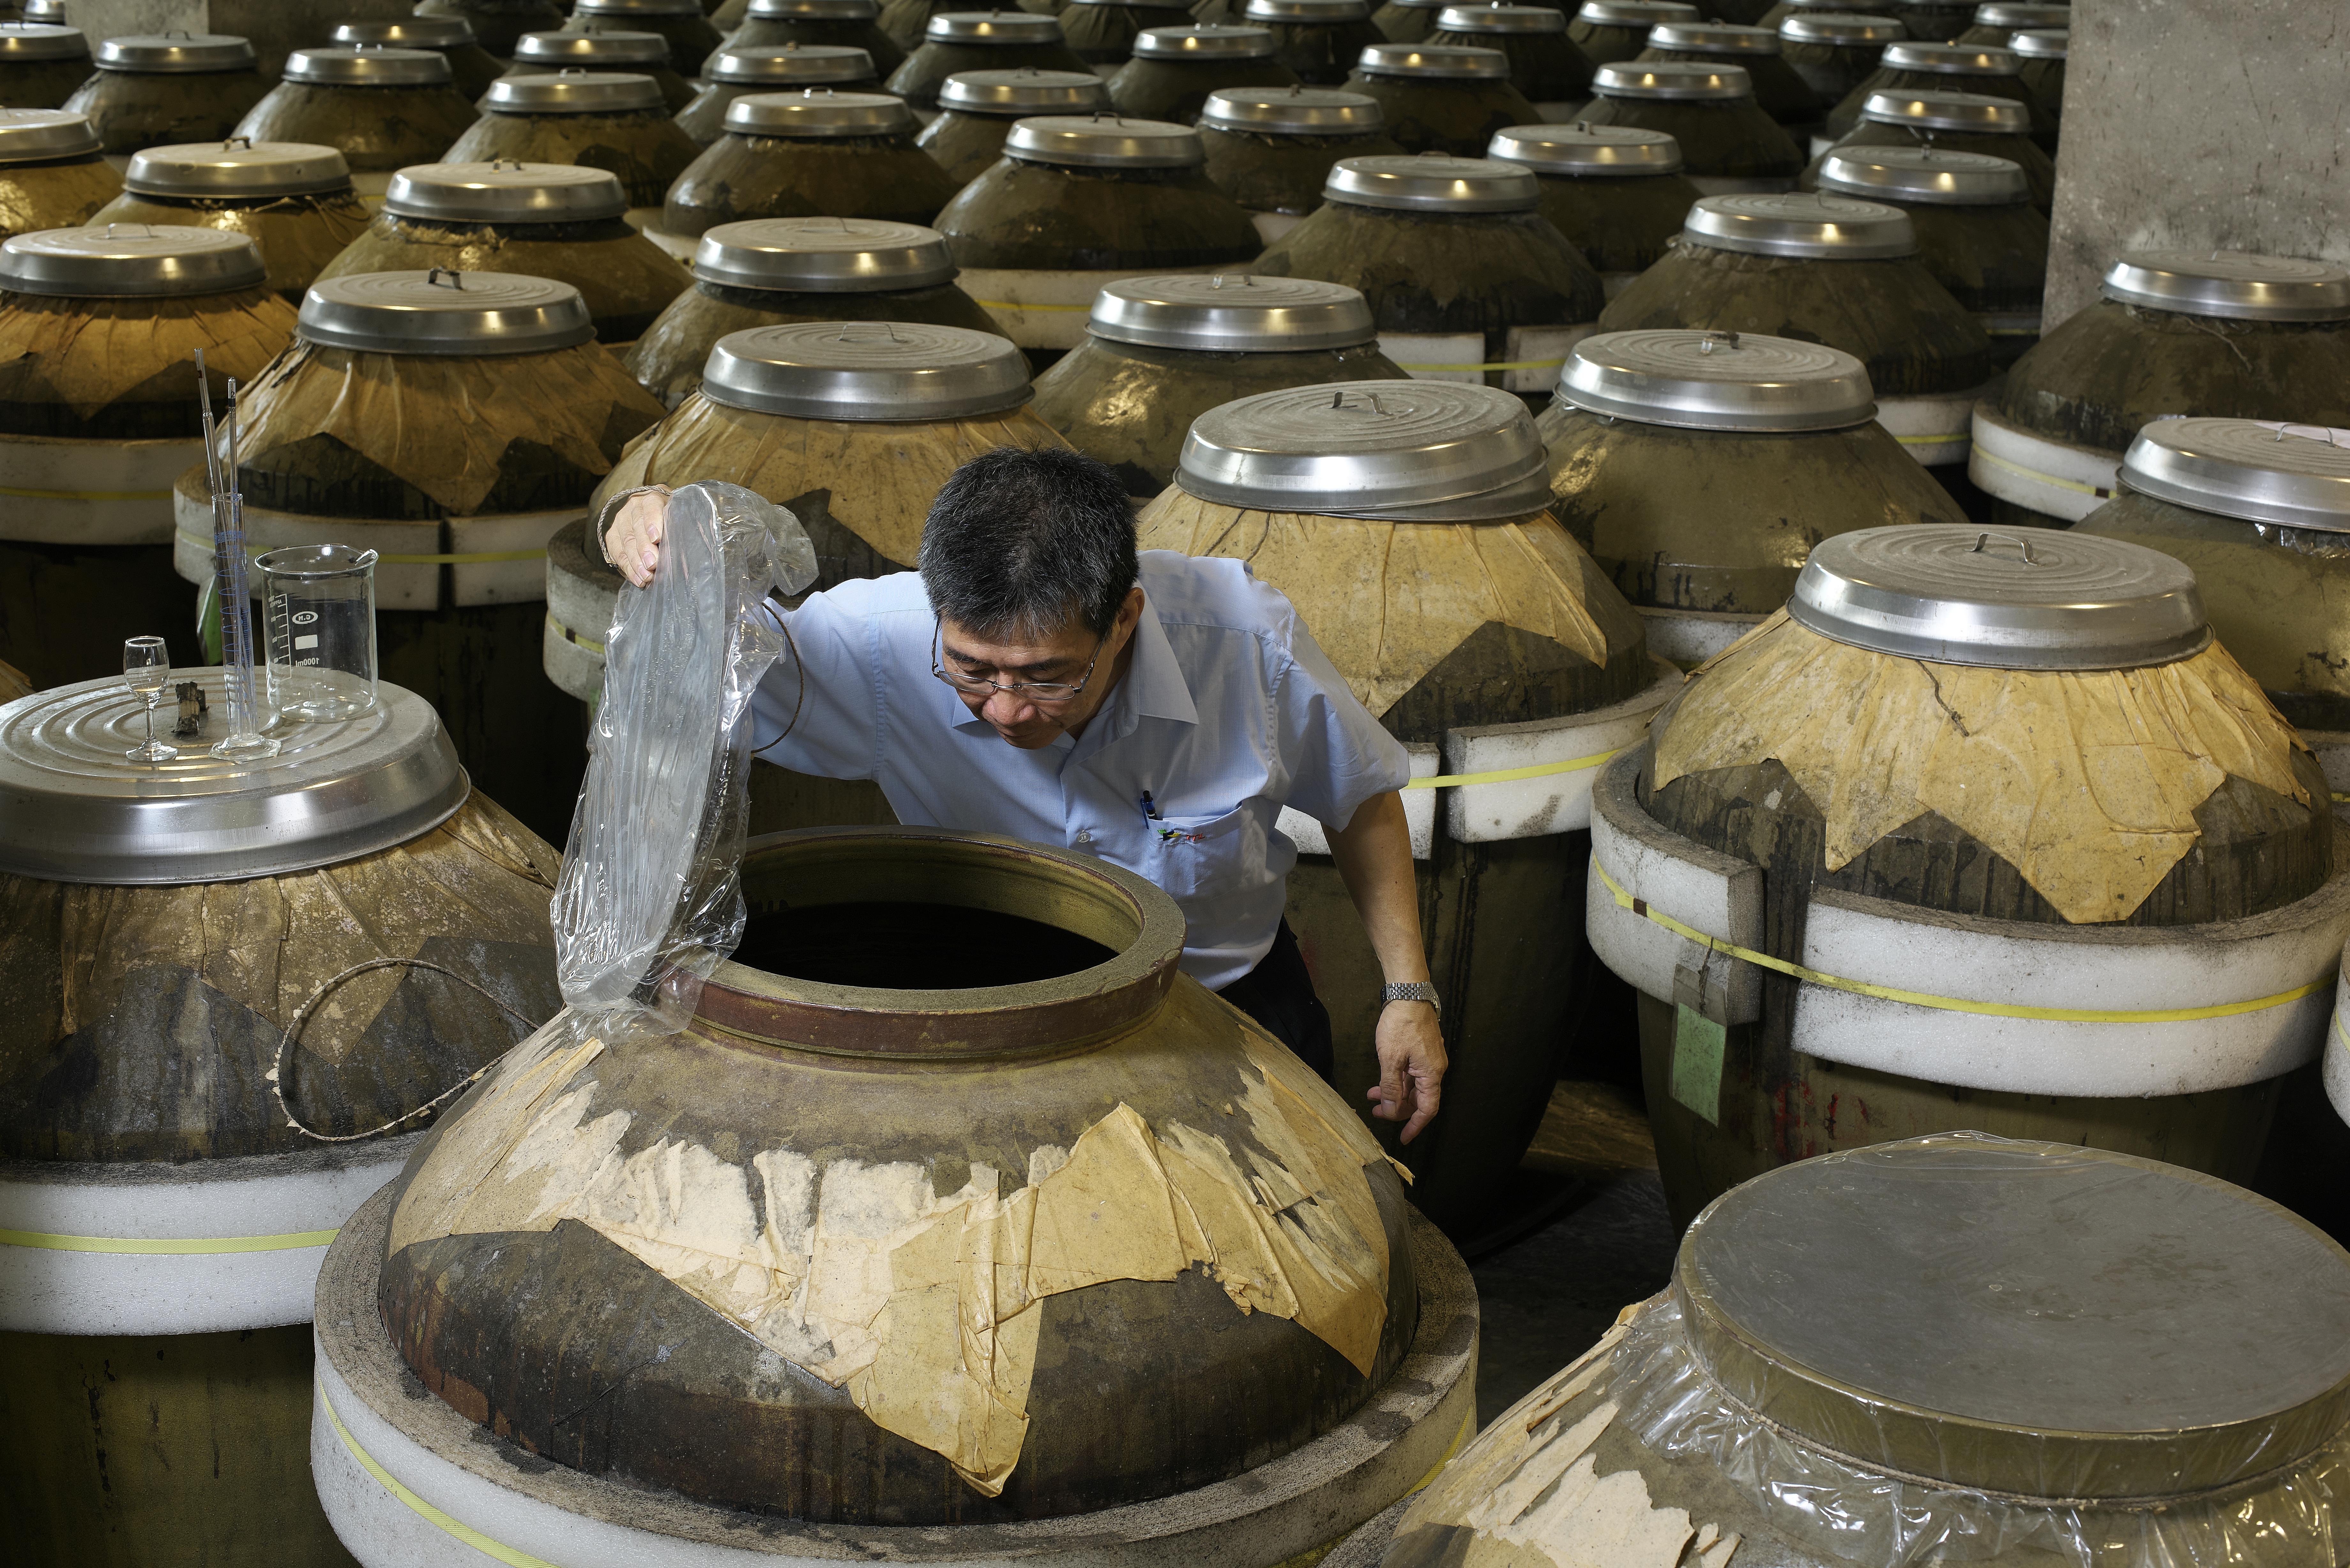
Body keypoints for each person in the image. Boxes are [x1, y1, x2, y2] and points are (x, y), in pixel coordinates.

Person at [603, 447, 1447, 1141]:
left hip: (1225, 1009)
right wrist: (643, 525)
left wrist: (1409, 993)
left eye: (1050, 677)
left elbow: (1360, 799)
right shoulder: (885, 644)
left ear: (1125, 619)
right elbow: (716, 652)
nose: (1007, 709)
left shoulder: (1245, 647)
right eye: (972, 671)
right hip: (995, 1024)